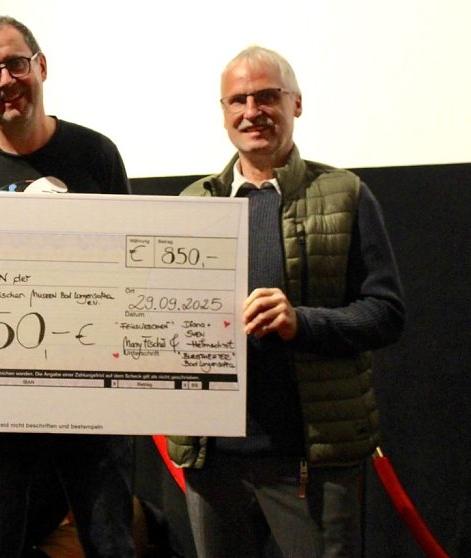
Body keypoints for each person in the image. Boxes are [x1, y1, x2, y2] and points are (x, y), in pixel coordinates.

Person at [167, 45, 406, 558]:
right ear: (224, 112)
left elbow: (386, 314)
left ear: (296, 104)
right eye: (237, 101)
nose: (252, 112)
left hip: (312, 459)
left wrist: (302, 322)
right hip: (212, 463)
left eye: (267, 96)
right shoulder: (192, 204)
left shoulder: (345, 194)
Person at [0, 15, 135, 558]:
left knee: (109, 536)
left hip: (90, 388)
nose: (4, 79)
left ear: (40, 66)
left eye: (15, 64)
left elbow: (128, 268)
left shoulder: (97, 155)